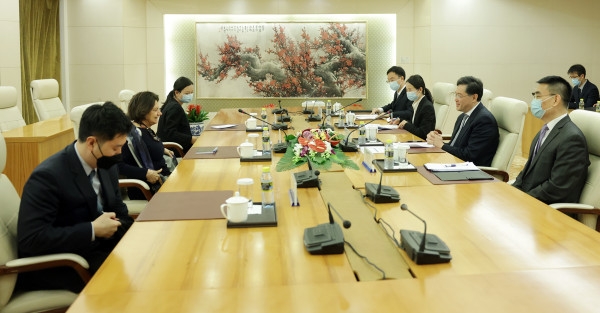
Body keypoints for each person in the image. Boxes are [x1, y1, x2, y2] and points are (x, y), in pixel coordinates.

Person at [17, 102, 134, 293]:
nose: (119, 154)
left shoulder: (107, 165)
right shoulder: (48, 176)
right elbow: (31, 240)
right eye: (115, 148)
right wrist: (92, 230)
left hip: (102, 251)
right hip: (65, 264)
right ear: (91, 143)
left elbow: (120, 211)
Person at [513, 76, 590, 204]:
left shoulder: (572, 139)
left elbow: (557, 188)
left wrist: (523, 199)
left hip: (548, 211)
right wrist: (512, 193)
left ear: (555, 99)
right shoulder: (544, 131)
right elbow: (527, 172)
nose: (534, 101)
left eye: (538, 96)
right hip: (530, 202)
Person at [426, 76, 499, 166]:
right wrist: (436, 140)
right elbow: (455, 147)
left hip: (471, 173)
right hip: (454, 164)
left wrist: (442, 145)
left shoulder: (484, 120)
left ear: (474, 98)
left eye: (459, 96)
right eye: (456, 95)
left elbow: (469, 156)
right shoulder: (462, 117)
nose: (455, 99)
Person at [119, 91, 175, 200]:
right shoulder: (130, 136)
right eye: (155, 110)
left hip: (164, 182)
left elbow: (148, 146)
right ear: (142, 111)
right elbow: (118, 166)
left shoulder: (145, 130)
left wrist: (161, 149)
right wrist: (145, 173)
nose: (160, 113)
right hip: (147, 189)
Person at [157, 76, 197, 154]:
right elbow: (170, 133)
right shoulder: (174, 107)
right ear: (177, 92)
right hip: (176, 149)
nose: (190, 95)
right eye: (187, 93)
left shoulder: (172, 104)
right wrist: (190, 139)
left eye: (192, 92)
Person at [393, 74, 436, 140]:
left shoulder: (427, 107)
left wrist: (406, 125)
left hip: (422, 144)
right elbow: (413, 123)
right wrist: (401, 120)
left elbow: (423, 134)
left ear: (420, 89)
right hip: (414, 140)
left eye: (410, 90)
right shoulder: (416, 103)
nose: (408, 93)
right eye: (407, 90)